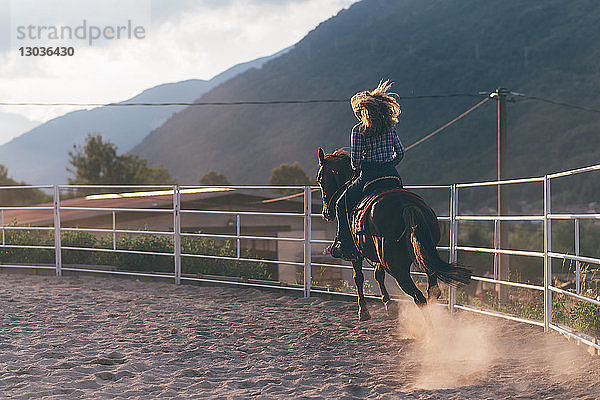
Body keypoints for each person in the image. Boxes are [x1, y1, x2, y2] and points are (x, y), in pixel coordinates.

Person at [329, 80, 405, 260]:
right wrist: (389, 164)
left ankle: (346, 246)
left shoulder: (358, 131)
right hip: (392, 175)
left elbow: (355, 161)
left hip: (369, 176)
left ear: (362, 113)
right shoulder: (390, 128)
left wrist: (361, 167)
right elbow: (400, 153)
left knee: (341, 205)